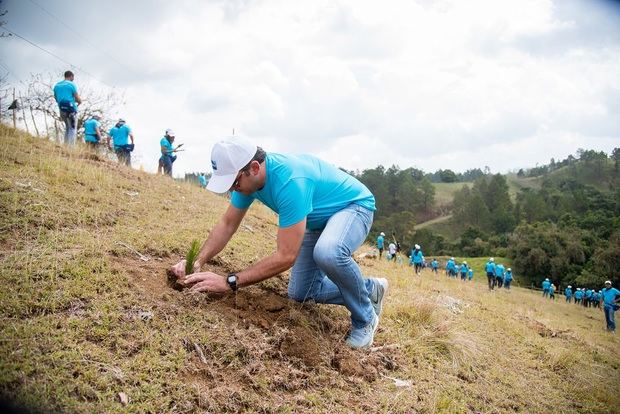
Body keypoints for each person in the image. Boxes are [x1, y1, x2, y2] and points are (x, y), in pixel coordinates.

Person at [169, 136, 388, 349]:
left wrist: (230, 282)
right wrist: (198, 261)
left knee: (328, 252)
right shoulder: (248, 181)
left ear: (254, 168)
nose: (232, 189)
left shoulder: (290, 181)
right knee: (301, 294)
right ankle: (370, 289)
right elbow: (227, 224)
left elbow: (286, 256)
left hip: (353, 207)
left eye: (234, 183)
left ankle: (365, 318)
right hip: (315, 219)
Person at [53, 70, 82, 146]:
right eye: (73, 77)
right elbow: (77, 97)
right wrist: (79, 102)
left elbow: (56, 98)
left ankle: (65, 146)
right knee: (72, 128)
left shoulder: (57, 85)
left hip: (61, 109)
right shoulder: (71, 84)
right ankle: (71, 148)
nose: (73, 79)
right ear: (71, 76)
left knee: (67, 127)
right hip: (71, 109)